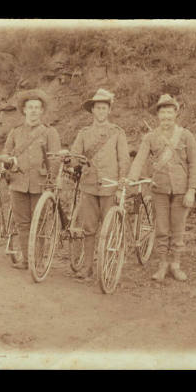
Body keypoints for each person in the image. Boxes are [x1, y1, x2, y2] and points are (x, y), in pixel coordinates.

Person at [127, 94, 196, 281]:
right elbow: (140, 159)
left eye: (170, 112)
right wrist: (131, 178)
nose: (166, 117)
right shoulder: (151, 137)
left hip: (181, 190)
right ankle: (162, 265)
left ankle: (175, 265)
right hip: (159, 189)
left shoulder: (186, 136)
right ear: (158, 115)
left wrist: (192, 190)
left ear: (175, 114)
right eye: (163, 113)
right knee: (161, 229)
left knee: (177, 230)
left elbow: (195, 164)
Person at [70, 88, 130, 280]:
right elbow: (75, 156)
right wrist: (72, 162)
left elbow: (124, 160)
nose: (101, 111)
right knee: (89, 228)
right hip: (88, 185)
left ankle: (108, 267)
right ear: (93, 111)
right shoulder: (84, 133)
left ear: (109, 111)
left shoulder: (117, 133)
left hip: (109, 186)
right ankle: (87, 267)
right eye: (98, 108)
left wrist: (121, 185)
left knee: (110, 229)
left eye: (104, 108)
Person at [0, 89, 61, 268]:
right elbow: (6, 150)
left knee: (39, 222)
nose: (33, 111)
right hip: (18, 182)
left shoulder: (50, 132)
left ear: (42, 111)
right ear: (24, 110)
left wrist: (51, 180)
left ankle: (37, 260)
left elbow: (54, 158)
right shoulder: (15, 132)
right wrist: (6, 158)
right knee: (22, 222)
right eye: (30, 107)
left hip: (41, 183)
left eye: (37, 108)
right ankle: (26, 260)